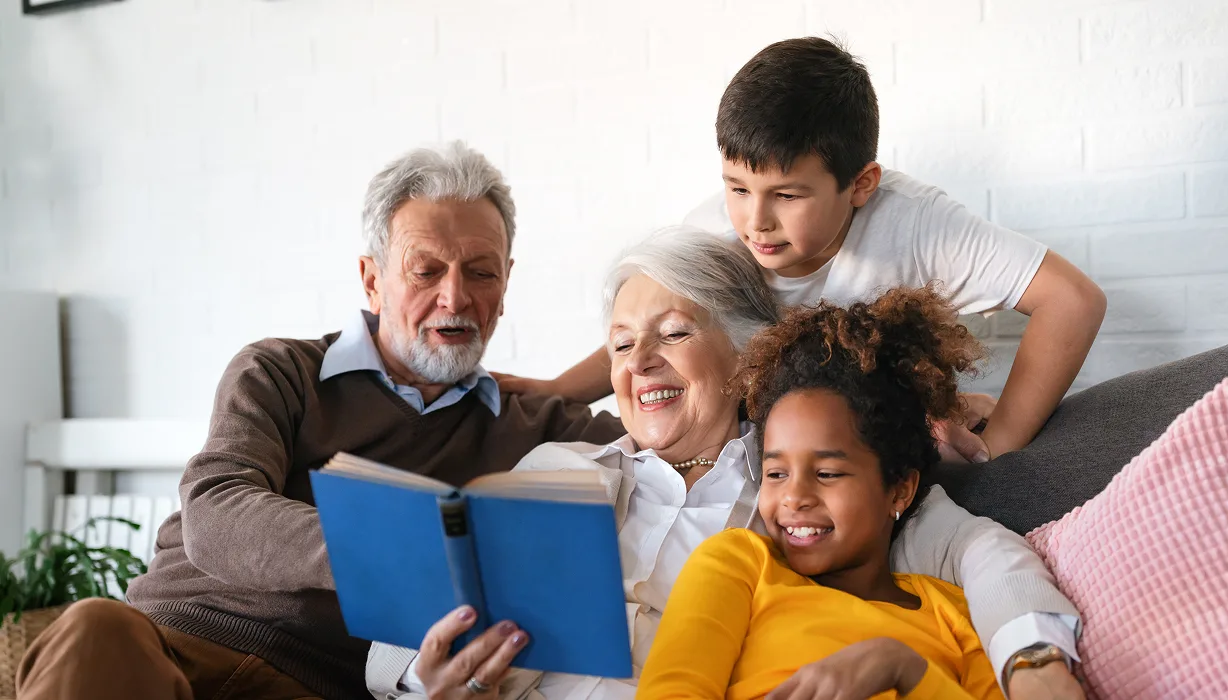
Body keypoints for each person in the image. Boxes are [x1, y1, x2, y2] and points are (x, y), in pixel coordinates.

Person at [15, 142, 627, 700]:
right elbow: (216, 510)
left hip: (321, 687)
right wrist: (395, 544)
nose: (454, 297)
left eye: (481, 271)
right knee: (92, 628)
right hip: (171, 649)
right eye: (427, 270)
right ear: (372, 280)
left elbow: (693, 417)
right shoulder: (279, 371)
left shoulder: (542, 426)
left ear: (506, 284)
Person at [374, 230, 1083, 700]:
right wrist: (423, 676)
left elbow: (980, 551)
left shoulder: (801, 487)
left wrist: (1034, 658)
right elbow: (408, 629)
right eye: (621, 346)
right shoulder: (556, 468)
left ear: (749, 350)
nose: (640, 362)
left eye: (674, 333)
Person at [498, 37, 1107, 469]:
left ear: (861, 185)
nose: (755, 221)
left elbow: (1072, 300)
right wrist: (559, 389)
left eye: (786, 195)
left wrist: (1002, 444)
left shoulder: (919, 225)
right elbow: (651, 331)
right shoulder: (714, 232)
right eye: (737, 188)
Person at [638, 286, 1052, 700]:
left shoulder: (956, 615)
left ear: (899, 490)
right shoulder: (738, 565)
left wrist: (904, 669)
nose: (794, 496)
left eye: (828, 473)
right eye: (776, 472)